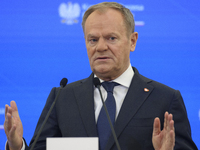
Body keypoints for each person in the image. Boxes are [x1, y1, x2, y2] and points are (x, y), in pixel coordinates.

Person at [4, 2, 197, 150]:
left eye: (111, 38)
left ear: (132, 41)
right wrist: (16, 145)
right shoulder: (62, 97)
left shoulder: (165, 99)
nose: (101, 47)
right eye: (93, 39)